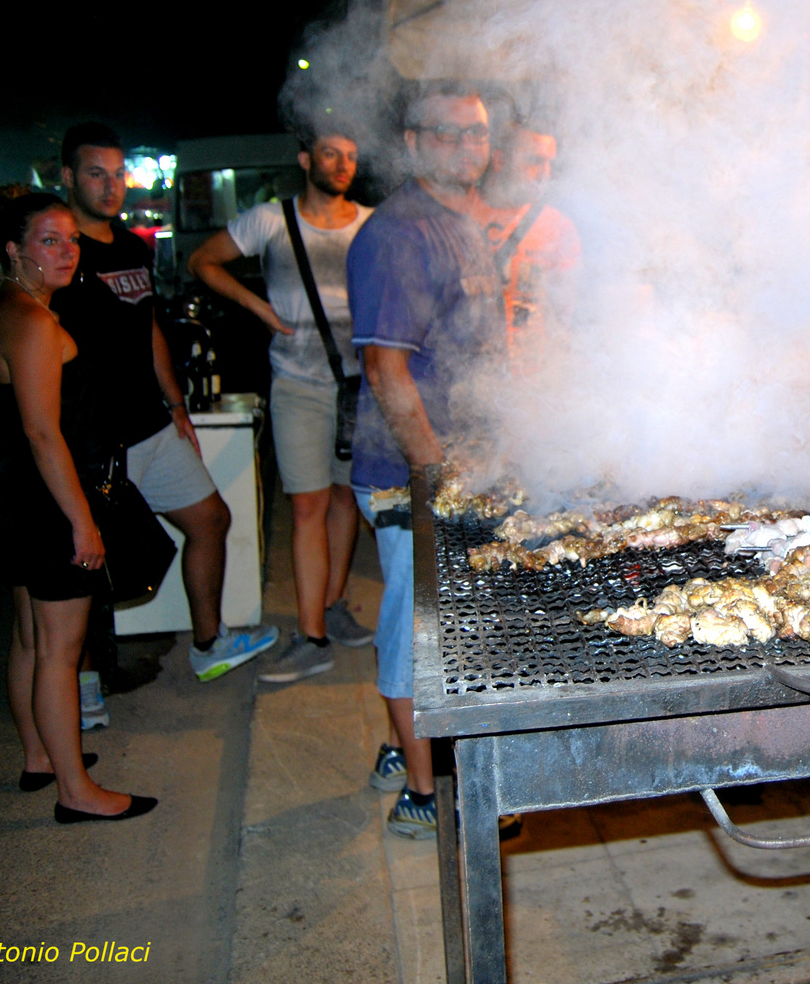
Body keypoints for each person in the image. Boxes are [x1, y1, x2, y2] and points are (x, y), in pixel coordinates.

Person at [54, 123, 277, 682]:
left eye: (117, 174)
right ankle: (83, 689)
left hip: (151, 425)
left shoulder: (131, 245)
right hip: (91, 440)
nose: (110, 187)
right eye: (95, 174)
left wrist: (176, 402)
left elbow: (147, 322)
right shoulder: (59, 257)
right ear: (67, 178)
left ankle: (208, 645)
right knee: (87, 566)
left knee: (211, 519)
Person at [347, 82, 507, 840]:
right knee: (424, 628)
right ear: (410, 143)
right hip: (411, 468)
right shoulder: (399, 232)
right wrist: (435, 479)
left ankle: (397, 745)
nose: (464, 147)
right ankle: (422, 794)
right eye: (445, 135)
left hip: (464, 457)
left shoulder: (464, 222)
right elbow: (386, 369)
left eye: (474, 134)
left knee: (428, 618)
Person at [0, 192, 155, 822]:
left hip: (13, 498)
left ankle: (39, 757)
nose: (66, 251)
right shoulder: (32, 322)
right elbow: (42, 431)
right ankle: (75, 793)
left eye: (71, 240)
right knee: (59, 649)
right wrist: (82, 520)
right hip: (45, 503)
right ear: (14, 250)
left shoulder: (4, 308)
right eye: (49, 240)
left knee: (29, 638)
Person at [188, 127, 375, 684]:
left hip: (357, 386)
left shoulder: (368, 224)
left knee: (347, 499)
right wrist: (261, 309)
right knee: (307, 507)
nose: (341, 164)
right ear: (305, 160)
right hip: (297, 384)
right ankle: (311, 635)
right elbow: (204, 261)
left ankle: (332, 605)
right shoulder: (271, 219)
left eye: (350, 156)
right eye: (330, 154)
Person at [474, 119, 580, 360]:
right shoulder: (460, 215)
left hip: (529, 379)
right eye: (534, 161)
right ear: (499, 160)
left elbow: (564, 319)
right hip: (466, 374)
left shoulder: (559, 228)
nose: (545, 174)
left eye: (549, 163)